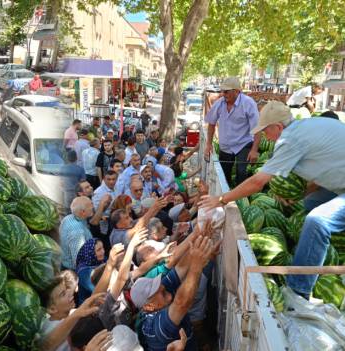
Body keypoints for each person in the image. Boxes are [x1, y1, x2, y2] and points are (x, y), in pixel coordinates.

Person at [199, 101, 345, 300]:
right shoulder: (306, 128)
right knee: (306, 207)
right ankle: (311, 253)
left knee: (317, 221)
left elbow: (258, 183)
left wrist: (222, 199)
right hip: (339, 184)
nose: (263, 136)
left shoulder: (290, 139)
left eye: (265, 130)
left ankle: (299, 288)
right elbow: (322, 173)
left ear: (278, 126)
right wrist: (302, 196)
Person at [132, 223, 218, 351]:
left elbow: (181, 267)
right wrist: (196, 266)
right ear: (149, 307)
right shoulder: (155, 326)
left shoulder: (161, 291)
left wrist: (200, 238)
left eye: (160, 286)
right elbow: (181, 303)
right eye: (160, 293)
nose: (165, 290)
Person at [204, 77, 261, 186]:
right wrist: (208, 144)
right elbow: (211, 123)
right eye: (222, 91)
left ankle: (242, 197)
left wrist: (254, 150)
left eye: (226, 91)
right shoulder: (220, 103)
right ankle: (227, 199)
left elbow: (257, 129)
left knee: (241, 173)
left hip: (243, 144)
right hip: (225, 146)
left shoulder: (248, 103)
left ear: (236, 91)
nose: (223, 94)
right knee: (223, 176)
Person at [37, 273, 106, 351]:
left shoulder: (61, 320)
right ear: (52, 309)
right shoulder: (49, 331)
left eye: (66, 289)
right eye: (63, 294)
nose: (70, 293)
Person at [60, 197, 95, 270]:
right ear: (83, 212)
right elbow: (79, 260)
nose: (93, 206)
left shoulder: (68, 218)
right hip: (74, 270)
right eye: (90, 205)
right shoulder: (77, 232)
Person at [75, 239, 107, 304]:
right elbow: (98, 291)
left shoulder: (101, 260)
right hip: (89, 306)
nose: (103, 251)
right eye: (99, 250)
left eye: (103, 248)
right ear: (90, 253)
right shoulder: (83, 272)